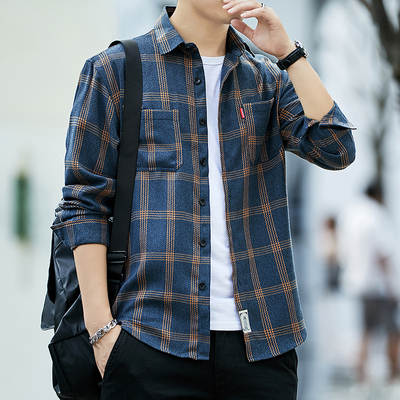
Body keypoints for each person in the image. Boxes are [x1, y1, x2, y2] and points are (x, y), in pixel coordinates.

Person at [51, 1, 357, 398]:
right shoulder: (116, 70)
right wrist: (102, 333)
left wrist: (289, 54)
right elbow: (84, 205)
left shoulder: (267, 79)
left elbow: (337, 148)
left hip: (262, 346)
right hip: (149, 338)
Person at [337, 181, 400, 383]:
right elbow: (383, 253)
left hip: (356, 281)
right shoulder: (376, 214)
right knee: (393, 329)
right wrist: (392, 285)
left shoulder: (351, 214)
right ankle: (394, 372)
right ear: (379, 195)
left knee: (365, 330)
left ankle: (361, 374)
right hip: (378, 284)